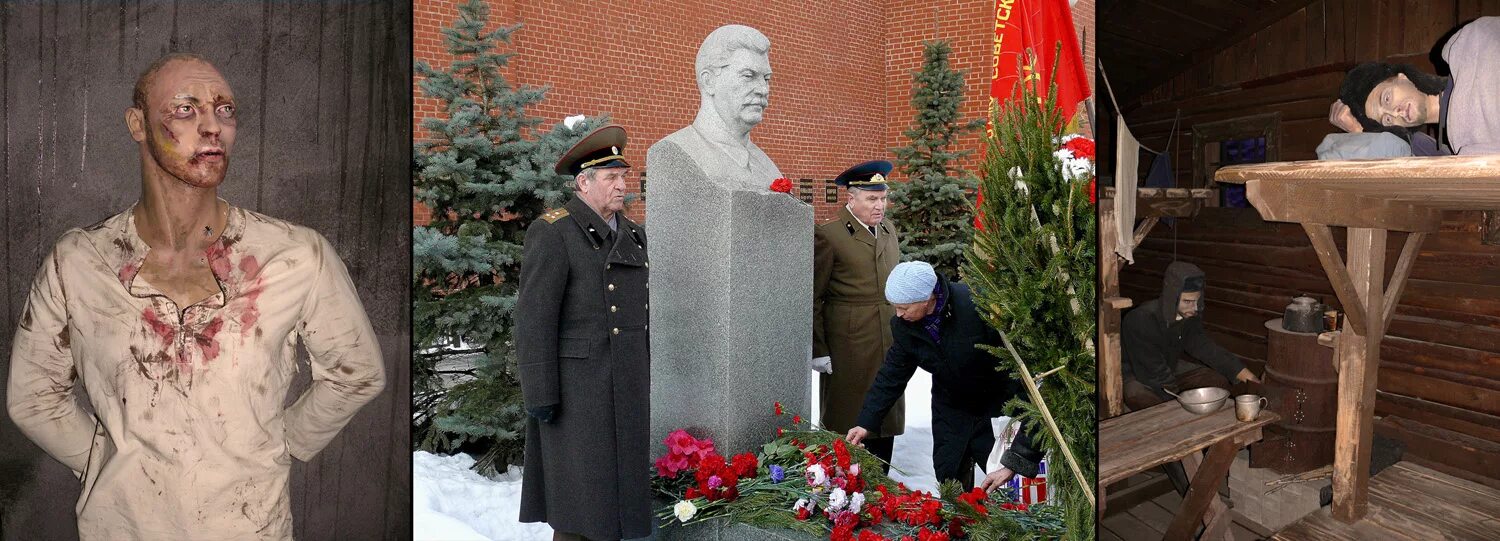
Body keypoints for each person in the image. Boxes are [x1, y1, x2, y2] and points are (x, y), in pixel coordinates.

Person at [6, 53, 386, 539]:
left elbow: (358, 373)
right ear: (138, 123)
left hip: (249, 527)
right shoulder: (78, 262)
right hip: (120, 528)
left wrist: (270, 449)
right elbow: (33, 397)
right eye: (186, 109)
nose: (213, 127)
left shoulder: (293, 256)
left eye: (224, 111)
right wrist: (111, 464)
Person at [516, 124, 651, 541]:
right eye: (611, 178)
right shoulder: (554, 232)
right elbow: (534, 320)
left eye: (623, 176)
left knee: (618, 500)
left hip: (626, 382)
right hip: (578, 391)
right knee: (581, 502)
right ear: (583, 182)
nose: (621, 185)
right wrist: (540, 395)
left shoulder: (631, 233)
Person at [845, 261, 1043, 491]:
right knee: (948, 475)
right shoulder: (905, 326)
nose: (898, 314)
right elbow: (891, 376)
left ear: (927, 298)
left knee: (1006, 481)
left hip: (997, 407)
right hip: (951, 406)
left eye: (904, 307)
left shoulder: (976, 305)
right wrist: (866, 423)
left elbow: (1019, 363)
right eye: (895, 307)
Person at [813, 160, 903, 467]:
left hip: (888, 338)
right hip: (849, 344)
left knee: (885, 414)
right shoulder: (830, 234)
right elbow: (813, 295)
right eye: (872, 199)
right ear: (851, 199)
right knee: (848, 416)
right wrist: (818, 349)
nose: (880, 206)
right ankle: (844, 493)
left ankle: (883, 484)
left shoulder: (888, 230)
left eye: (883, 198)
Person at [1328, 17, 1500, 156]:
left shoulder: (1467, 45)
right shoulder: (1462, 149)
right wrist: (1358, 134)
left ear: (1402, 77)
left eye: (1386, 99)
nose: (1395, 113)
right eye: (1387, 120)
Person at [648, 24, 782, 192]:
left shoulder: (769, 169)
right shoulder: (675, 153)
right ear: (709, 81)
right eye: (748, 76)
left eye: (766, 78)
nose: (763, 89)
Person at [1120, 261, 1259, 412]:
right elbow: (1154, 373)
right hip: (1138, 373)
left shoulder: (1189, 315)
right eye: (1187, 301)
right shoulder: (1141, 319)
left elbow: (1204, 347)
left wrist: (1249, 378)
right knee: (1144, 399)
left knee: (1216, 381)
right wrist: (1182, 401)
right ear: (1172, 297)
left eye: (1197, 300)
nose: (1194, 308)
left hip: (1170, 366)